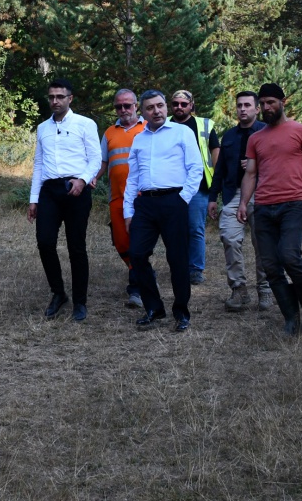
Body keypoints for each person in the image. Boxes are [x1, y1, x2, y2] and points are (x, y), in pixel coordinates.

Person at [238, 82, 302, 336]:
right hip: (263, 207)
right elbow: (251, 174)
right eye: (262, 103)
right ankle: (290, 316)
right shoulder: (255, 138)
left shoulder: (301, 131)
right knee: (271, 265)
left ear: (282, 102)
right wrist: (244, 202)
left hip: (292, 205)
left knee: (289, 256)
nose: (266, 107)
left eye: (270, 102)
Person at [124, 89, 203, 331]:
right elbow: (132, 178)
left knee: (177, 258)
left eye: (160, 106)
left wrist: (182, 199)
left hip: (173, 201)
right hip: (145, 204)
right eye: (150, 107)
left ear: (166, 108)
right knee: (136, 255)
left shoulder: (182, 132)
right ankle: (154, 308)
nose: (156, 111)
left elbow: (195, 168)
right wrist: (128, 211)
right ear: (142, 111)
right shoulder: (139, 139)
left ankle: (181, 311)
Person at [28, 79, 101, 321]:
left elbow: (95, 159)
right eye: (51, 97)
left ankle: (80, 301)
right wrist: (33, 199)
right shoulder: (42, 128)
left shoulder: (85, 124)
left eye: (60, 96)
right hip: (49, 190)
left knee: (76, 246)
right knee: (45, 242)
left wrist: (82, 180)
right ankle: (58, 293)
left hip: (76, 188)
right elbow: (38, 164)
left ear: (70, 98)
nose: (55, 101)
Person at [208, 90, 270, 312]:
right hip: (234, 194)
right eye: (239, 105)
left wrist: (256, 166)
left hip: (262, 193)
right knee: (229, 237)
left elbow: (278, 164)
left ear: (256, 108)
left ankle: (264, 289)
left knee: (262, 243)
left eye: (247, 105)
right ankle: (239, 289)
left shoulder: (267, 131)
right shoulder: (230, 136)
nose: (242, 109)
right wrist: (213, 197)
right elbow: (220, 168)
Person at [97, 88, 145, 308]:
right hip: (117, 197)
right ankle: (144, 272)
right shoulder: (108, 133)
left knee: (137, 244)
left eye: (128, 105)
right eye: (119, 106)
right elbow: (102, 164)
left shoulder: (148, 128)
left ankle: (136, 288)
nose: (123, 110)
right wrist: (89, 179)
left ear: (136, 105)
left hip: (144, 198)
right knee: (120, 242)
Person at [168, 90, 220, 290]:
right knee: (174, 229)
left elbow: (215, 151)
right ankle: (179, 266)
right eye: (175, 104)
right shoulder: (164, 124)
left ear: (191, 105)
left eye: (183, 104)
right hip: (171, 186)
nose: (179, 107)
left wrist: (217, 181)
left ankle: (196, 269)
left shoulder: (204, 125)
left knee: (195, 228)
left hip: (199, 186)